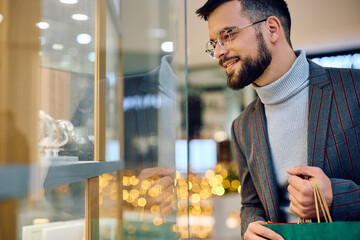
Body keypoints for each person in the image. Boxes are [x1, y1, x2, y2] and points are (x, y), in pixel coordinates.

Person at [196, 0, 360, 239]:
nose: (219, 52)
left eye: (228, 35)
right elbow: (252, 205)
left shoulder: (354, 89)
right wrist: (251, 227)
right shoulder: (242, 125)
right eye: (214, 43)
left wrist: (337, 197)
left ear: (272, 28)